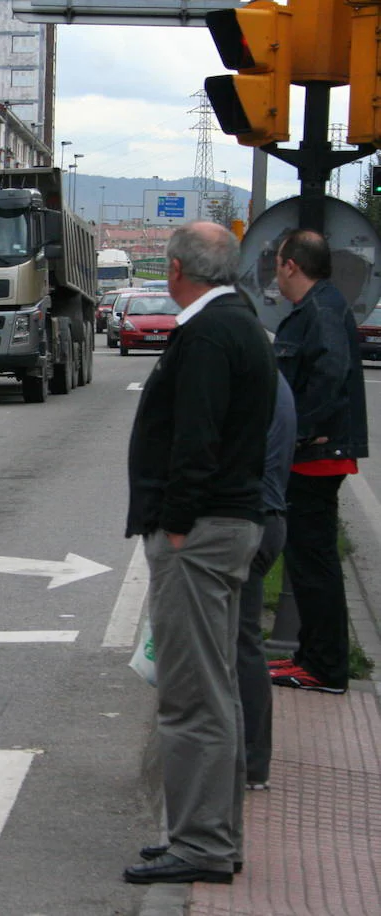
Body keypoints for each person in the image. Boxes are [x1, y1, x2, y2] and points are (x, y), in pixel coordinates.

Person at [123, 221, 277, 886]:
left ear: (179, 270)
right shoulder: (236, 323)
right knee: (215, 691)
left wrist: (178, 524)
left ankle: (202, 844)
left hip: (203, 530)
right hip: (224, 524)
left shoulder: (211, 332)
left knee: (191, 696)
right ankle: (212, 835)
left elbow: (197, 437)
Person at [269, 230, 368, 695]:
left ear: (292, 265)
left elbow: (330, 373)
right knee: (311, 560)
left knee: (314, 563)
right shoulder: (320, 306)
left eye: (277, 262)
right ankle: (312, 656)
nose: (274, 271)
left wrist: (301, 431)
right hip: (313, 454)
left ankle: (324, 666)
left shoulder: (321, 310)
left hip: (314, 457)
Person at [238, 371, 295, 791]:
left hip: (249, 521)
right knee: (243, 642)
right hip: (266, 517)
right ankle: (250, 760)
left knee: (238, 646)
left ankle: (248, 761)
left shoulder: (254, 379)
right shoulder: (271, 377)